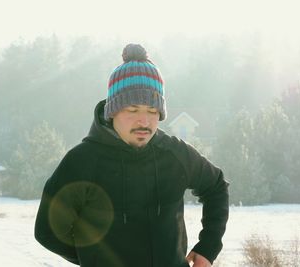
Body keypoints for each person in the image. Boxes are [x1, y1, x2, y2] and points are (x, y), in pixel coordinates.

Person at [34, 43, 229, 267]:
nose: (144, 122)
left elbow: (216, 186)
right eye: (133, 110)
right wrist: (93, 257)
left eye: (152, 111)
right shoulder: (82, 161)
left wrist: (207, 247)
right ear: (113, 110)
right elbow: (47, 231)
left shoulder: (175, 154)